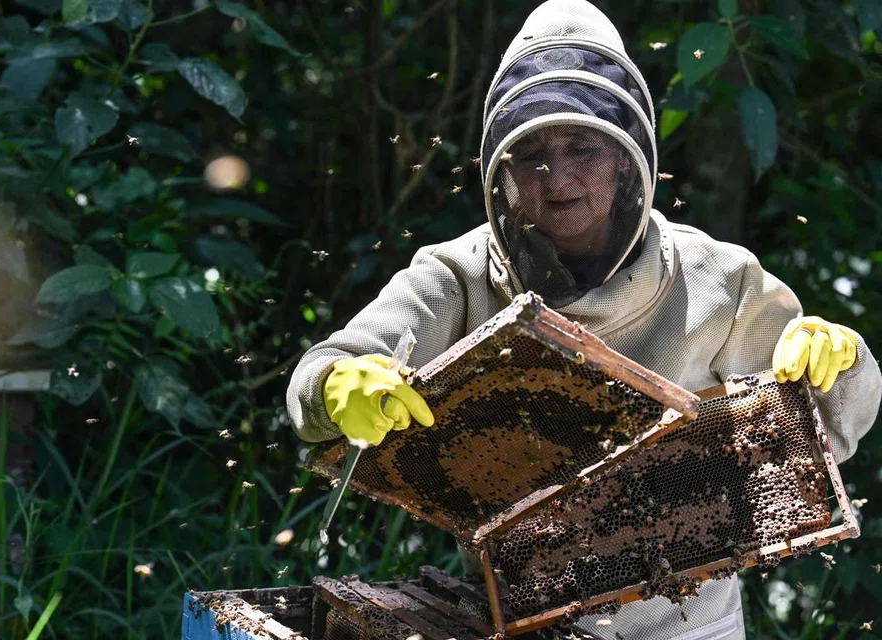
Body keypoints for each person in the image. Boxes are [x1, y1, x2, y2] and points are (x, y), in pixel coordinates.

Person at [287, 0, 882, 638]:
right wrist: (335, 387)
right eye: (531, 152)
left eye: (582, 147)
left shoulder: (720, 277)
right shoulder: (456, 275)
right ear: (500, 167)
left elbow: (830, 428)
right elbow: (322, 375)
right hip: (523, 622)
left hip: (689, 626)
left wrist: (834, 361)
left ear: (629, 159)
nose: (555, 175)